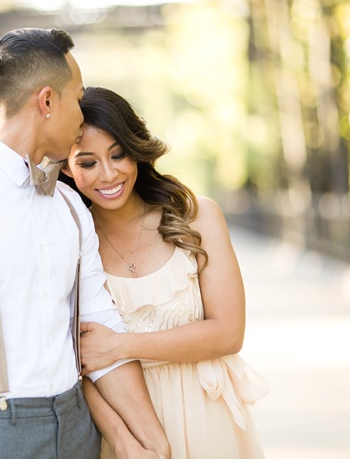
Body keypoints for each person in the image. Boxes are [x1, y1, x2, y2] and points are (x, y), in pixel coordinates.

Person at [0, 29, 170, 459]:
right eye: (76, 98)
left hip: (80, 430)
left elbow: (100, 324)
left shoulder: (70, 208)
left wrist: (156, 442)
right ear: (47, 102)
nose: (81, 115)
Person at [60, 86, 269, 459]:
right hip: (126, 427)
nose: (108, 174)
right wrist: (124, 442)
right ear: (66, 167)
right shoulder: (69, 240)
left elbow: (228, 332)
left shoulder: (197, 216)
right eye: (88, 163)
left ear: (136, 150)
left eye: (118, 154)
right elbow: (79, 365)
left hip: (207, 414)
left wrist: (120, 347)